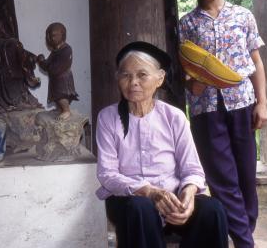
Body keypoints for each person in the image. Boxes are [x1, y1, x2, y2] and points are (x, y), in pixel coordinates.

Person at [96, 41, 228, 248]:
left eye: (142, 75)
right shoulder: (108, 118)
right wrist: (149, 192)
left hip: (172, 200)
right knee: (140, 208)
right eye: (125, 75)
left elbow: (192, 169)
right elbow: (107, 175)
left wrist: (189, 195)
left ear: (160, 79)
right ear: (117, 78)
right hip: (129, 200)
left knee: (213, 210)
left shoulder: (173, 117)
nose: (133, 83)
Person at [178, 0, 267, 248]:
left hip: (242, 104)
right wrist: (196, 83)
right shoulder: (187, 24)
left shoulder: (243, 16)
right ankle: (245, 242)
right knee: (222, 180)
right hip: (207, 110)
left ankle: (244, 231)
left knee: (245, 178)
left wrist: (262, 102)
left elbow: (256, 63)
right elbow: (186, 77)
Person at [37, 22, 79, 120]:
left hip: (63, 78)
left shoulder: (66, 49)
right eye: (50, 36)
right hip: (55, 79)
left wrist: (50, 67)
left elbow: (58, 66)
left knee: (61, 95)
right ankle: (60, 109)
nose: (52, 38)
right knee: (56, 96)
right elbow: (47, 65)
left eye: (55, 35)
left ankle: (66, 110)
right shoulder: (54, 51)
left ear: (62, 35)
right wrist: (41, 61)